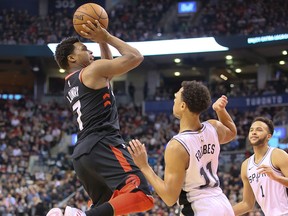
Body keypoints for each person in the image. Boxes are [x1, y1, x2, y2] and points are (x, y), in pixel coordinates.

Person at [46, 20, 154, 216]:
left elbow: (108, 72)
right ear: (72, 58)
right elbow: (136, 57)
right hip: (103, 143)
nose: (89, 51)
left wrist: (102, 43)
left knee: (106, 209)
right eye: (84, 48)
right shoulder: (93, 71)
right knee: (141, 195)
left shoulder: (71, 83)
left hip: (82, 155)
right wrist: (107, 37)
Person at [128, 81, 237, 215]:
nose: (174, 96)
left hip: (199, 208)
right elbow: (232, 132)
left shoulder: (177, 145)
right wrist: (220, 110)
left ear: (183, 106)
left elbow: (169, 197)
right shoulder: (213, 127)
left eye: (176, 97)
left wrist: (144, 166)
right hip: (222, 203)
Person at [233, 117, 288, 215]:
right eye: (251, 130)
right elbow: (247, 204)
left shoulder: (277, 155)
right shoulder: (245, 165)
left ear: (269, 136)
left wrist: (275, 177)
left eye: (259, 130)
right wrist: (223, 212)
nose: (254, 132)